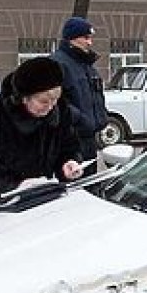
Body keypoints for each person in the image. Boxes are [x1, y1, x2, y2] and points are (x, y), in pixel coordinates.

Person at [0, 56, 87, 225]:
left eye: (55, 100)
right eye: (43, 101)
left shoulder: (60, 111)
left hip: (34, 201)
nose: (50, 107)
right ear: (24, 98)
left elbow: (68, 145)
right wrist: (14, 186)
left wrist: (68, 163)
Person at [50, 16, 107, 175]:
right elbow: (53, 101)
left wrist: (101, 118)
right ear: (71, 39)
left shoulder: (87, 66)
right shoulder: (58, 64)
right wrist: (79, 119)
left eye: (90, 38)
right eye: (85, 38)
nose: (90, 42)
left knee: (89, 186)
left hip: (89, 139)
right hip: (70, 141)